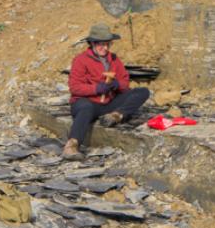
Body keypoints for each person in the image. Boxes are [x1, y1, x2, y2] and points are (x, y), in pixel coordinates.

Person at [63, 23, 150, 160]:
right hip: (88, 103)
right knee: (85, 108)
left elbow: (125, 83)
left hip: (108, 104)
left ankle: (116, 116)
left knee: (142, 92)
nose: (105, 48)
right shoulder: (81, 60)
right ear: (92, 43)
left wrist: (117, 85)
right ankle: (71, 145)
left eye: (108, 44)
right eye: (100, 44)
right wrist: (96, 89)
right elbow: (75, 87)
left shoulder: (114, 59)